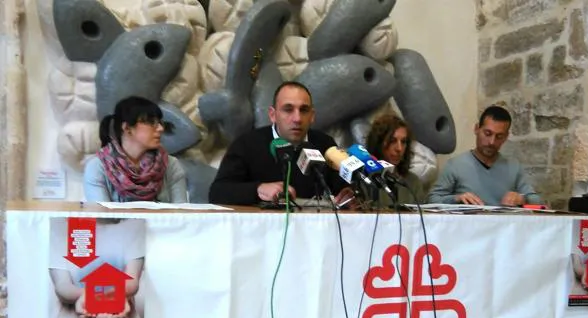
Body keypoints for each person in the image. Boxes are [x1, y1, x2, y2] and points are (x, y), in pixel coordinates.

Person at [208, 81, 353, 206]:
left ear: (312, 116)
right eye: (288, 110)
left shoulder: (324, 144)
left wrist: (348, 195)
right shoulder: (247, 143)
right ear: (273, 115)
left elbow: (342, 188)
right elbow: (217, 192)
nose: (297, 118)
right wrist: (258, 189)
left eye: (304, 110)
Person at [428, 105, 543, 206]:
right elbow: (431, 200)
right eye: (487, 134)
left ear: (506, 137)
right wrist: (456, 198)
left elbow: (537, 201)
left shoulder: (514, 167)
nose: (492, 142)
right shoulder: (455, 165)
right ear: (476, 129)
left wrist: (522, 199)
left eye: (499, 137)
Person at [84, 96, 188, 203]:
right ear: (127, 128)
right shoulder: (98, 167)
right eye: (151, 122)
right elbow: (101, 213)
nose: (160, 128)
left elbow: (181, 211)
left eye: (160, 123)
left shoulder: (170, 165)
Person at [48, 218, 145, 318]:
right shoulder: (59, 224)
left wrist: (99, 297)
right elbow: (62, 285)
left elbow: (132, 281)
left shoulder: (134, 223)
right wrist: (96, 297)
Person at [366, 114, 424, 206]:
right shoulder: (366, 180)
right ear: (379, 143)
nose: (399, 148)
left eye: (403, 142)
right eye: (392, 141)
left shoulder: (413, 183)